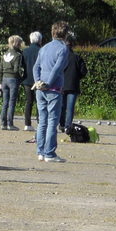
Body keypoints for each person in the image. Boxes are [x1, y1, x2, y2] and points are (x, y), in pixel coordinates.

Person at [32, 21, 71, 163]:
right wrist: (47, 84)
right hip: (53, 89)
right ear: (65, 34)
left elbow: (36, 67)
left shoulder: (44, 48)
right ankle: (49, 153)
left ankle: (40, 152)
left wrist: (38, 82)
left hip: (39, 89)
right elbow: (57, 69)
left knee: (42, 121)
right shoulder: (63, 49)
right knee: (52, 121)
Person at [59, 36, 87, 132]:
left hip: (62, 85)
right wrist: (77, 77)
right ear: (72, 46)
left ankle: (61, 124)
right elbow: (84, 71)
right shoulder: (77, 57)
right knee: (70, 108)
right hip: (73, 85)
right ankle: (68, 126)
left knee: (62, 107)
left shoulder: (61, 57)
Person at [0, 35, 25, 130]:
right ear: (17, 43)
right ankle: (10, 124)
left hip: (4, 79)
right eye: (20, 43)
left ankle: (3, 123)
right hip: (13, 79)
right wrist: (21, 78)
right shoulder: (17, 55)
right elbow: (16, 70)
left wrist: (0, 81)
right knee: (12, 102)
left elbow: (0, 69)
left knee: (5, 102)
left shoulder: (5, 54)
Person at [21, 31, 42, 131]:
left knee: (29, 101)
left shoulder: (24, 51)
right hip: (38, 79)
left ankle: (27, 124)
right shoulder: (41, 51)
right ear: (40, 40)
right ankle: (40, 122)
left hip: (27, 79)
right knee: (39, 102)